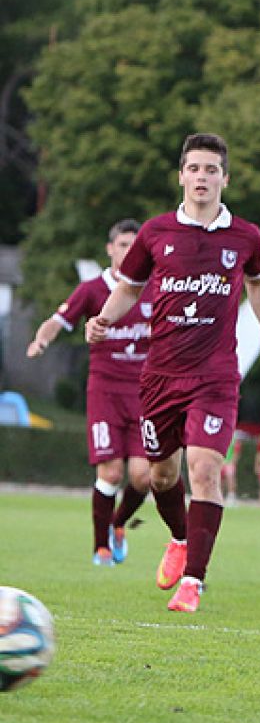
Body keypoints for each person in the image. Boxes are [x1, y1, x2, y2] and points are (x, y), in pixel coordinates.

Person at [87, 132, 260, 613]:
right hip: (159, 377)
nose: (202, 177)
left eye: (211, 169)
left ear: (225, 178)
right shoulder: (156, 234)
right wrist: (104, 320)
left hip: (215, 375)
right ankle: (180, 539)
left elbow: (259, 287)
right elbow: (129, 289)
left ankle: (194, 582)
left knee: (205, 469)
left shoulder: (246, 236)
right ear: (181, 176)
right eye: (194, 168)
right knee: (161, 477)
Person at [27, 219, 160, 565]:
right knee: (111, 473)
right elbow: (58, 320)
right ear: (110, 249)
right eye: (123, 245)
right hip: (105, 393)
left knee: (144, 477)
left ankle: (118, 524)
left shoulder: (156, 288)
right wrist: (43, 339)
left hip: (147, 394)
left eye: (135, 246)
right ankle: (101, 547)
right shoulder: (92, 290)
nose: (129, 251)